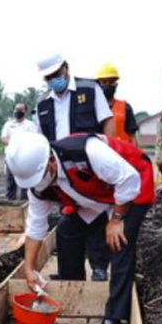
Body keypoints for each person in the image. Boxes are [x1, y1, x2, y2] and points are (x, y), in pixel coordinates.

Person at [7, 132, 155, 324]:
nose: (38, 185)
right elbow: (36, 226)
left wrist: (116, 219)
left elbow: (127, 179)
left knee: (119, 242)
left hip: (132, 187)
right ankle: (73, 290)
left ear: (49, 159)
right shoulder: (37, 187)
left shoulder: (86, 151)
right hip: (96, 197)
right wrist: (29, 268)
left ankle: (115, 317)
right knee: (66, 231)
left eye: (39, 178)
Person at [36, 53, 114, 282]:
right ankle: (70, 273)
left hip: (91, 165)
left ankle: (99, 267)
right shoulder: (43, 104)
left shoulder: (89, 90)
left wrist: (111, 151)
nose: (53, 80)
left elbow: (107, 121)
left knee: (97, 214)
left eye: (56, 75)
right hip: (61, 171)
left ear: (66, 68)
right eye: (48, 78)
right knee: (69, 217)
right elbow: (41, 139)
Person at [95, 63, 140, 145]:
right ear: (97, 84)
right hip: (99, 154)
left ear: (116, 84)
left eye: (111, 81)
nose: (107, 85)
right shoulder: (91, 108)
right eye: (104, 82)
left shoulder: (125, 108)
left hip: (121, 155)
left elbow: (132, 136)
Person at [1, 102, 38, 200]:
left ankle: (25, 206)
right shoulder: (8, 125)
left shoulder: (30, 125)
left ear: (25, 112)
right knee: (10, 183)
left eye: (21, 110)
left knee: (25, 184)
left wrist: (20, 144)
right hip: (11, 158)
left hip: (25, 159)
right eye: (17, 109)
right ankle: (9, 205)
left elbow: (34, 139)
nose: (18, 111)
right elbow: (4, 139)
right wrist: (16, 143)